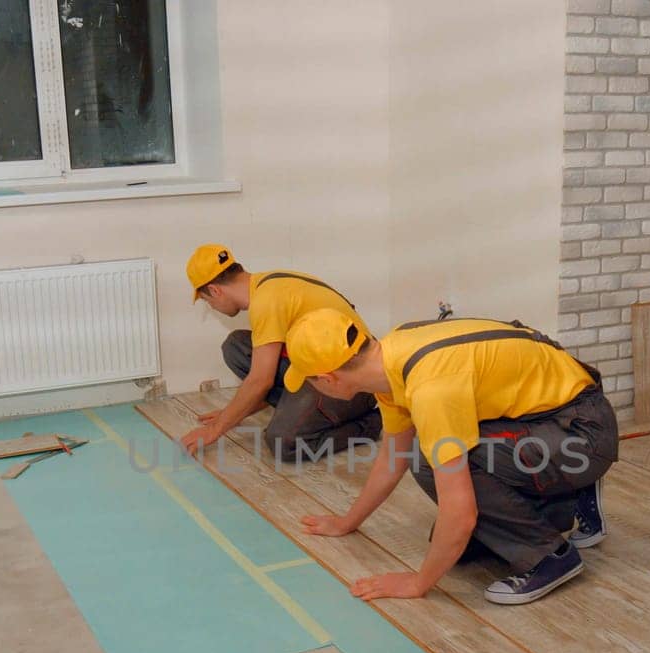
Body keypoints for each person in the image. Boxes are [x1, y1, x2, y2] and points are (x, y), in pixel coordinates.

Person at [286, 309, 619, 605]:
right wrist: (348, 521)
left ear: (328, 378)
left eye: (309, 381)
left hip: (580, 434)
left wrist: (418, 583)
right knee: (433, 484)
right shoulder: (391, 359)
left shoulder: (429, 387)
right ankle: (564, 502)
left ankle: (550, 556)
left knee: (434, 464)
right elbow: (394, 455)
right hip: (547, 419)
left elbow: (460, 514)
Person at [180, 244, 381, 461]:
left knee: (283, 443)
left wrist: (215, 430)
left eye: (207, 300)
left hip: (352, 383)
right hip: (318, 367)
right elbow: (265, 371)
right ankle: (296, 409)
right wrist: (232, 414)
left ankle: (368, 425)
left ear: (215, 290)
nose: (211, 306)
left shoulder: (265, 302)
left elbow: (260, 380)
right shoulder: (269, 284)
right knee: (236, 346)